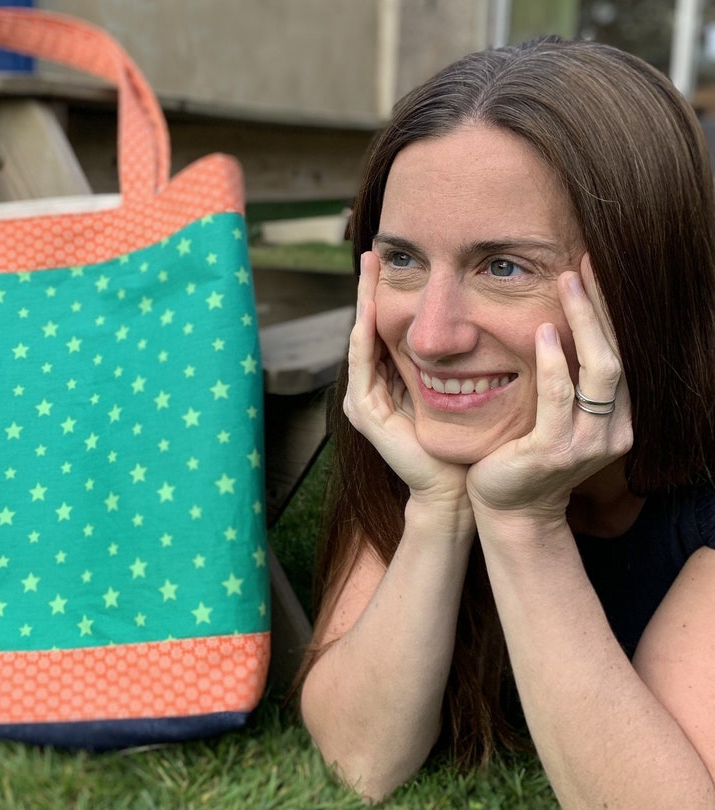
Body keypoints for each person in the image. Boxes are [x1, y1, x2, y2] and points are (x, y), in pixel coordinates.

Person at [298, 36, 715, 807]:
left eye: (503, 267)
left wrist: (525, 524)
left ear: (640, 283)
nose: (430, 336)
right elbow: (359, 758)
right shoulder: (407, 425)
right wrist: (436, 507)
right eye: (403, 261)